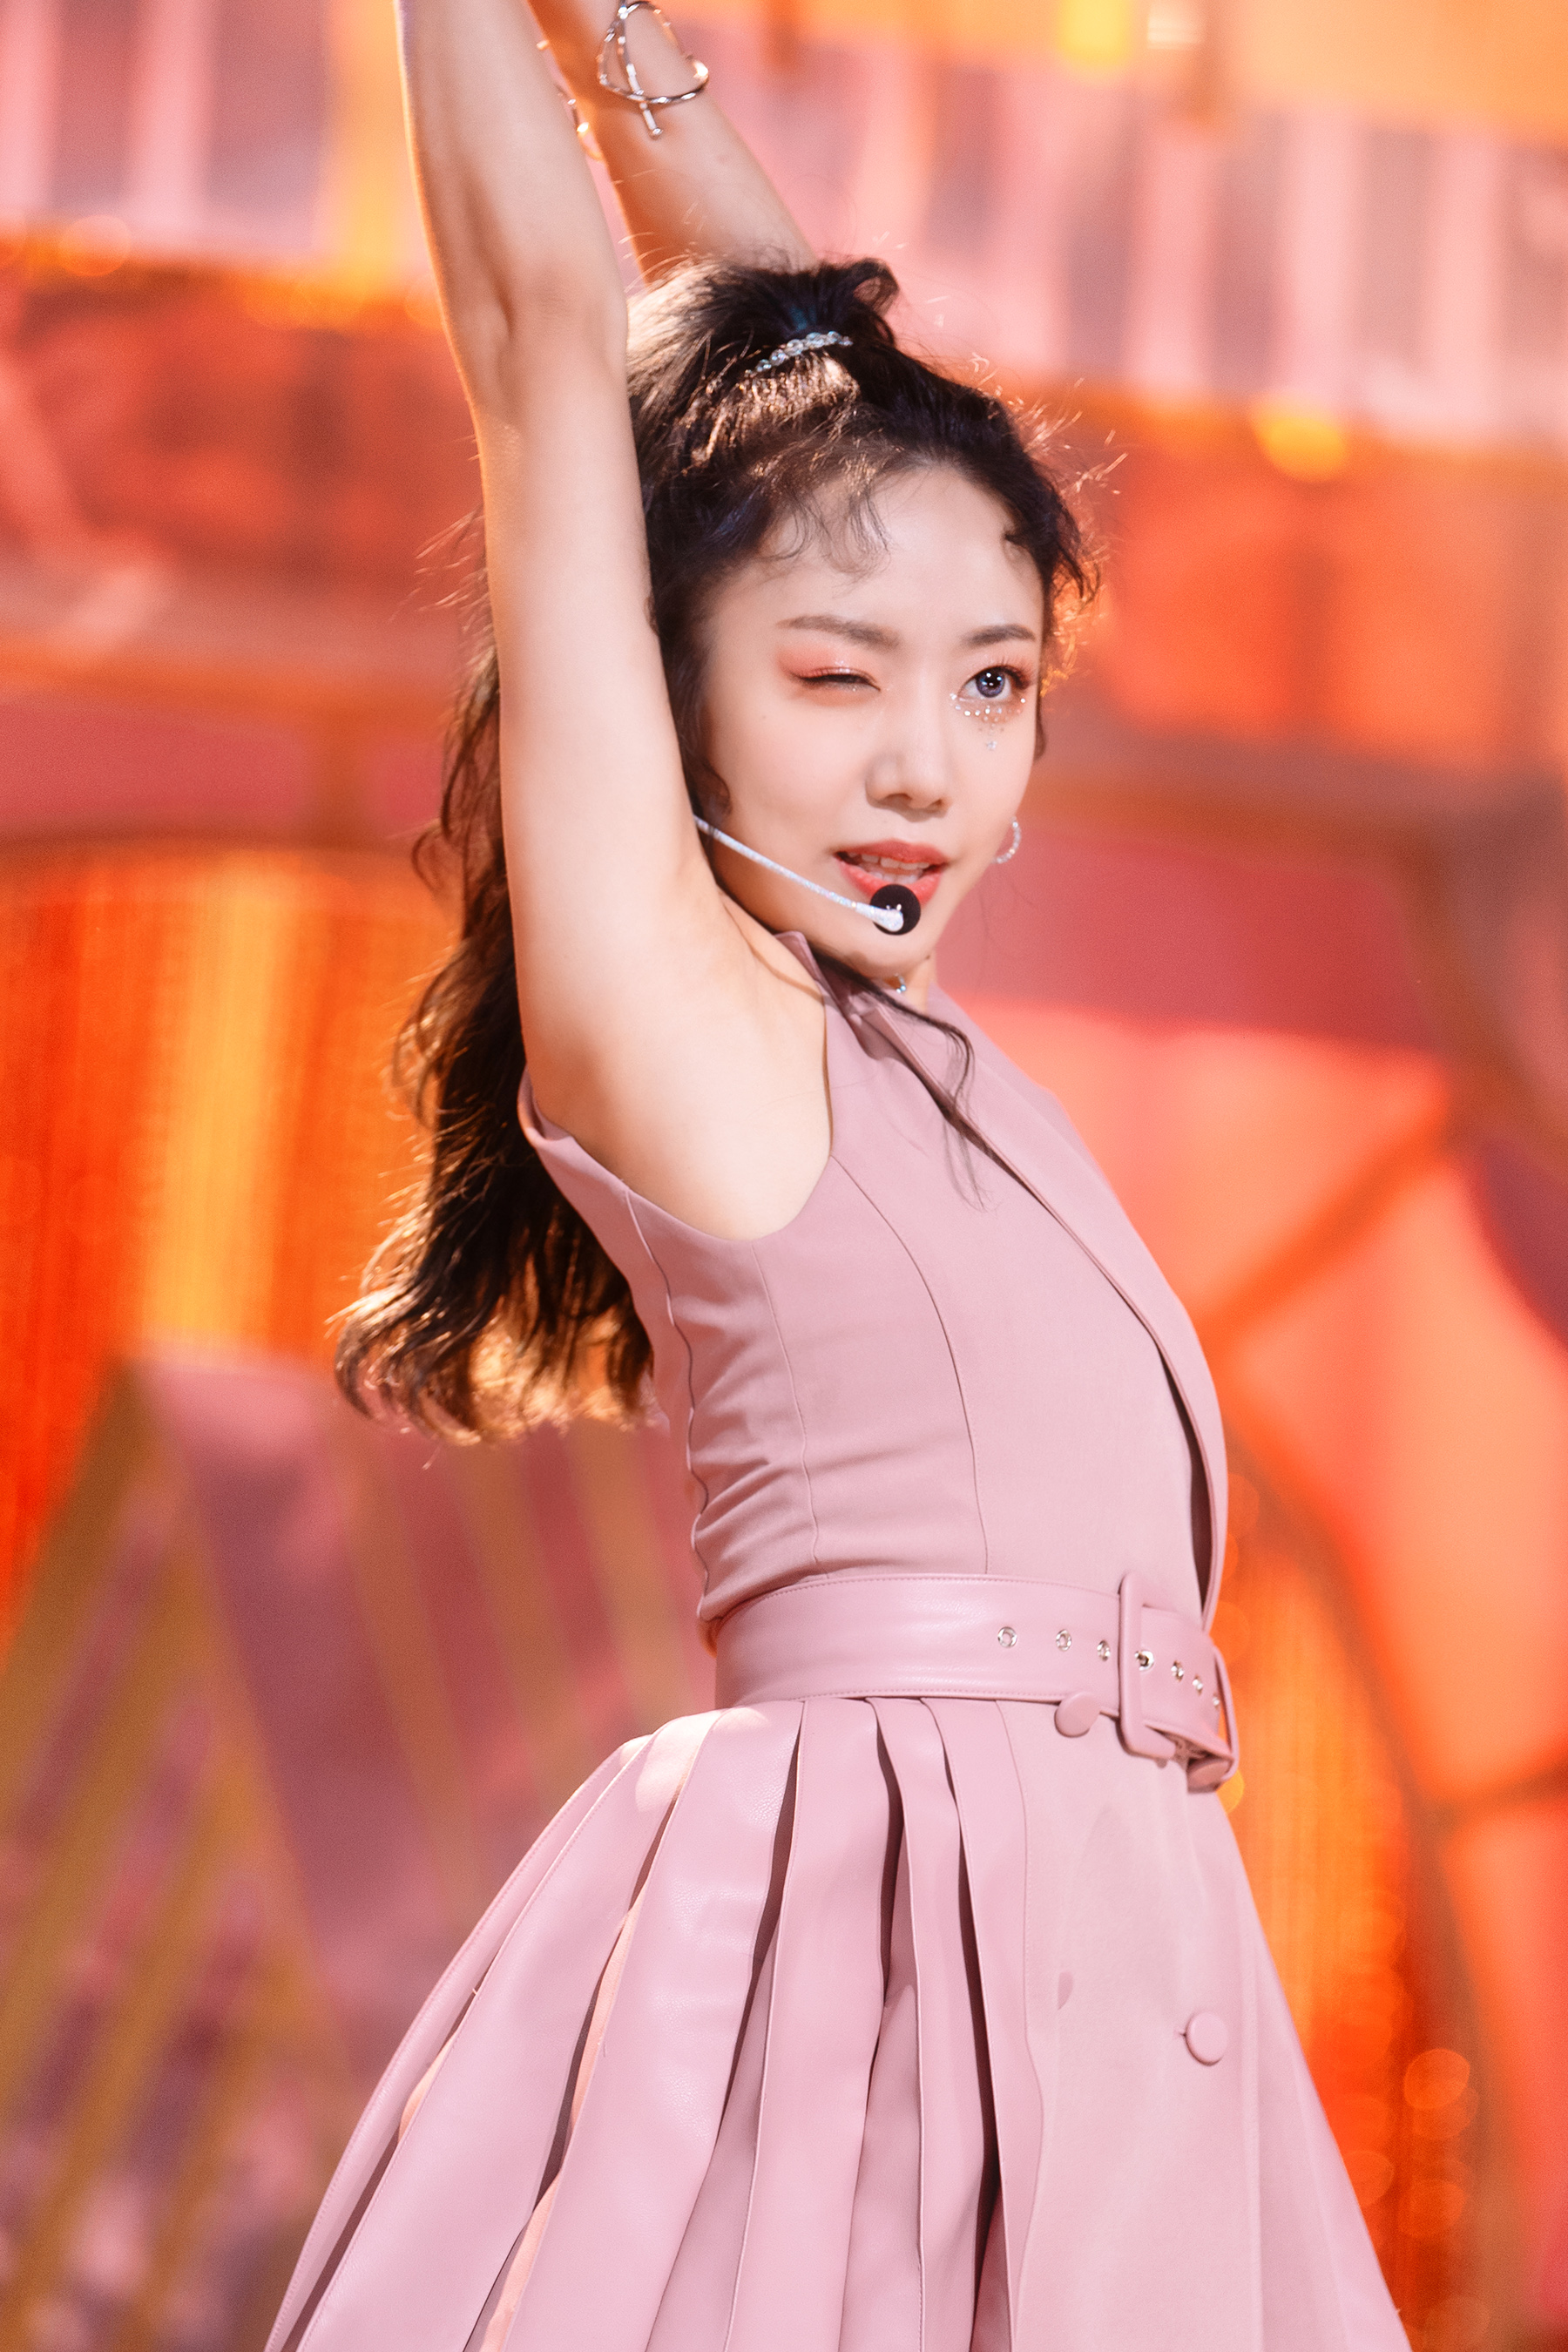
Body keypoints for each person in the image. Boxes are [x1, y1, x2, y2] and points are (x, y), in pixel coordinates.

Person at [267, 4, 1410, 2348]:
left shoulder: (915, 1054)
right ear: (668, 694)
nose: (924, 769)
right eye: (831, 679)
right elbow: (543, 350)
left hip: (1130, 1981)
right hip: (868, 1983)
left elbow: (832, 426)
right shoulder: (690, 1028)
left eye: (991, 684)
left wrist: (619, 47)